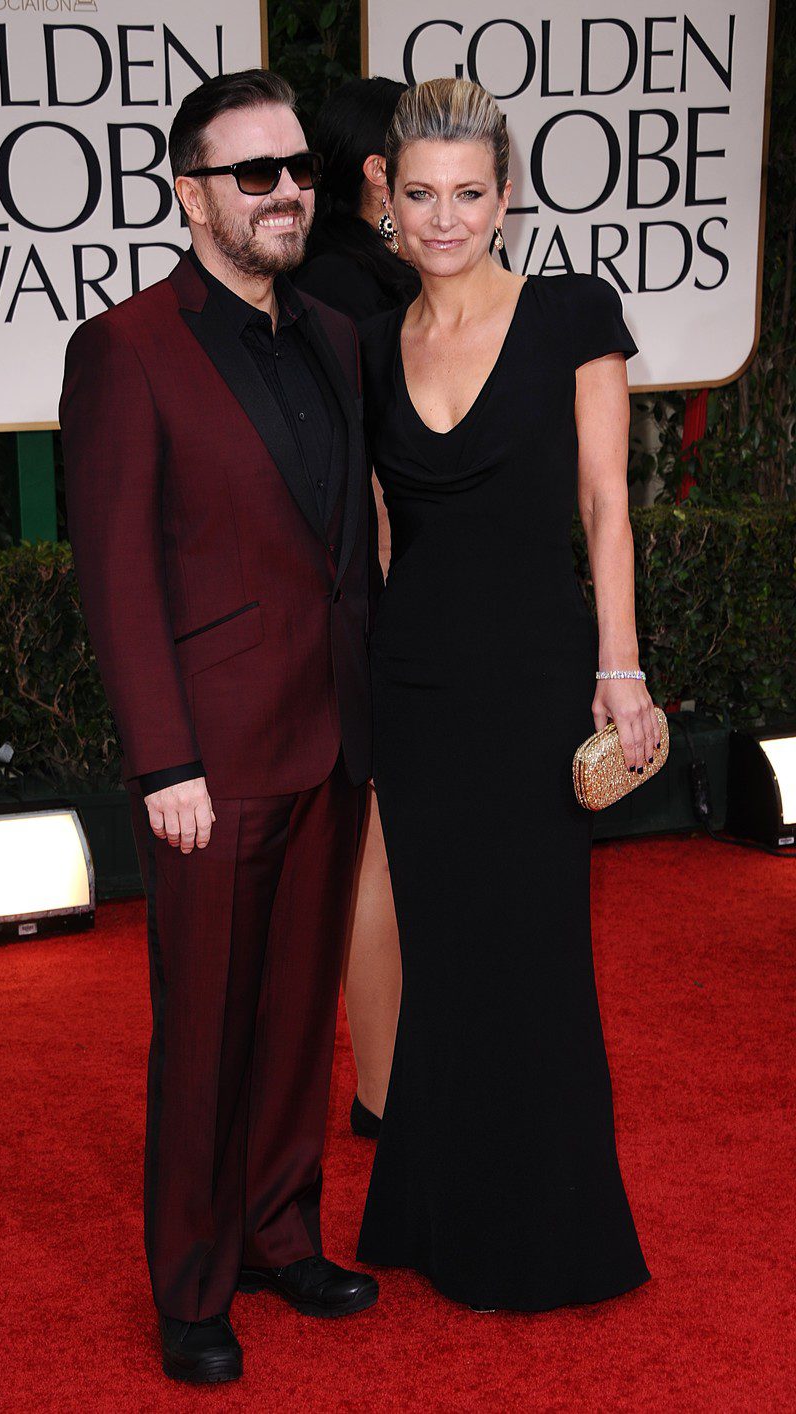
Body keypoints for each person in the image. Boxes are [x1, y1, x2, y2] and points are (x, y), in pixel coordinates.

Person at [59, 69, 379, 1387]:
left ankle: (279, 1231)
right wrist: (164, 758)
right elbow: (117, 571)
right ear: (191, 194)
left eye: (298, 167)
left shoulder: (336, 334)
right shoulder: (127, 348)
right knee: (205, 1028)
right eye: (255, 173)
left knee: (300, 1011)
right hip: (213, 756)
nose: (287, 191)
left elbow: (343, 541)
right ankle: (193, 1284)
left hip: (330, 734)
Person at [355, 77, 653, 1311]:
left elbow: (607, 505)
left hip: (536, 677)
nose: (443, 218)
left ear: (505, 194)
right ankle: (434, 1209)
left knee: (532, 952)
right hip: (414, 687)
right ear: (387, 197)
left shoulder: (574, 313)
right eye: (421, 193)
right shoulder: (372, 346)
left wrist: (621, 668)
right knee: (442, 949)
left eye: (468, 193)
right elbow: (378, 535)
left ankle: (543, 1234)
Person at [295, 78, 420, 1140]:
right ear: (380, 169)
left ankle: (390, 1081)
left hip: (361, 599)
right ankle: (385, 1088)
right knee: (381, 842)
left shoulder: (333, 276)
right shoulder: (360, 287)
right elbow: (374, 473)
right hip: (388, 600)